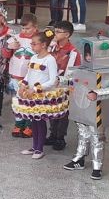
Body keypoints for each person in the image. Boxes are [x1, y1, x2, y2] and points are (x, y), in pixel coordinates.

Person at [13, 30, 64, 160]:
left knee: (40, 121)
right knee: (33, 121)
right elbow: (29, 74)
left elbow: (53, 80)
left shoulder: (50, 59)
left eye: (34, 43)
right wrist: (23, 84)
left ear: (43, 45)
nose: (32, 46)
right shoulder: (34, 57)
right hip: (31, 95)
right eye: (31, 43)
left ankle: (39, 148)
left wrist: (36, 89)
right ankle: (34, 146)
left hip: (42, 96)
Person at [46, 20, 82, 149]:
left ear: (67, 34)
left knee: (62, 113)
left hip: (64, 86)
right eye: (54, 31)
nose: (54, 34)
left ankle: (60, 138)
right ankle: (52, 134)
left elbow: (76, 73)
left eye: (57, 32)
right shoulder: (52, 47)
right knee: (52, 110)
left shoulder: (73, 52)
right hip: (51, 84)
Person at [6, 13, 38, 138]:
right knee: (17, 101)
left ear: (35, 27)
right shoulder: (15, 38)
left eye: (28, 28)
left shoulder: (39, 40)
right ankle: (19, 124)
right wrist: (9, 47)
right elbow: (5, 54)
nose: (25, 31)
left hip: (31, 77)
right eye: (23, 28)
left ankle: (29, 125)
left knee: (29, 101)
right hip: (15, 76)